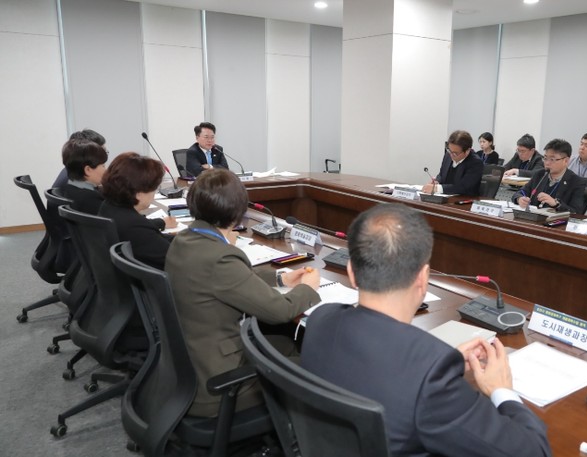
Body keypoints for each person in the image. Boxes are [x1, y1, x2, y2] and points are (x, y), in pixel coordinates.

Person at [301, 203, 552, 457]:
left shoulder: (321, 319)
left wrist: (442, 362)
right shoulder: (430, 376)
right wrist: (501, 390)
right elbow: (534, 452)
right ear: (423, 278)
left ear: (351, 272)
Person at [165, 168, 320, 417]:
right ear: (237, 210)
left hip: (186, 369)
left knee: (284, 343)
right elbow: (280, 311)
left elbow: (232, 279)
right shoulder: (220, 257)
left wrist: (281, 277)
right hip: (217, 385)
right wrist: (307, 288)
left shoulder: (183, 240)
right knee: (314, 363)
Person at [99, 152, 176, 270]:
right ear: (138, 193)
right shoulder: (134, 225)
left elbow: (156, 237)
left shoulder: (108, 205)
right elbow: (175, 258)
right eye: (154, 188)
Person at [513, 139, 587, 214]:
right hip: (533, 218)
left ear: (566, 161)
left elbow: (576, 212)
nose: (547, 163)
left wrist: (556, 204)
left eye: (552, 159)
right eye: (545, 158)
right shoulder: (540, 174)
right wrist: (520, 199)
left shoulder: (576, 182)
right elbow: (520, 192)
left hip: (557, 220)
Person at [421, 130, 484, 196]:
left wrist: (438, 188)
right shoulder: (448, 154)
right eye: (449, 150)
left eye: (455, 153)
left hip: (464, 199)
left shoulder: (476, 163)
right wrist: (437, 181)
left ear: (467, 151)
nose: (451, 155)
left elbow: (464, 187)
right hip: (444, 197)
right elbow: (441, 174)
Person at [60, 138, 108, 214]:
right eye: (103, 166)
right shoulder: (92, 199)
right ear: (88, 170)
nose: (105, 170)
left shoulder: (70, 188)